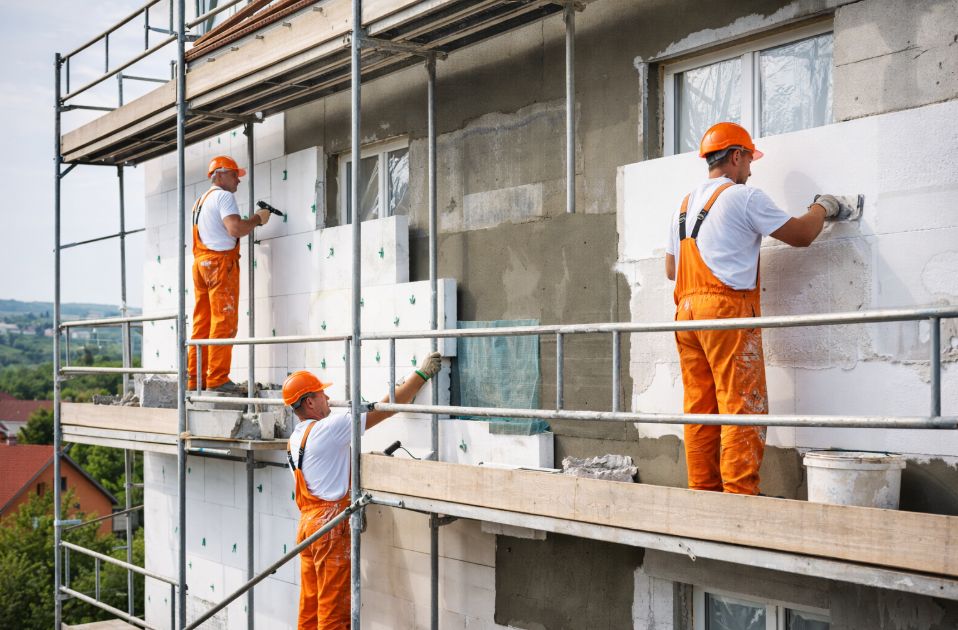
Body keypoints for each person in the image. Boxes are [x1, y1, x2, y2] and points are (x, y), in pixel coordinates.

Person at [664, 122, 844, 495]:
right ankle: (740, 498)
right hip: (724, 312)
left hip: (686, 315)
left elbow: (671, 270)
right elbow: (801, 235)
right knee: (741, 407)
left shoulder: (682, 205)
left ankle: (703, 493)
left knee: (700, 409)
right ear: (735, 155)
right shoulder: (743, 197)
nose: (751, 168)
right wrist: (821, 207)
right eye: (748, 159)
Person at [283, 352, 442, 629]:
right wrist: (421, 376)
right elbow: (384, 408)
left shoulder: (296, 438)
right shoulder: (329, 429)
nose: (328, 400)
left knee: (310, 609)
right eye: (322, 395)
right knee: (333, 612)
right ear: (310, 402)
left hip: (308, 526)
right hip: (329, 527)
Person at [187, 156, 271, 392]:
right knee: (224, 322)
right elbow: (235, 228)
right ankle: (217, 380)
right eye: (235, 175)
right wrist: (257, 219)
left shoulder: (200, 201)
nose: (238, 181)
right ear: (220, 174)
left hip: (201, 264)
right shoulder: (224, 196)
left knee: (202, 323)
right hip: (219, 264)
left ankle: (195, 380)